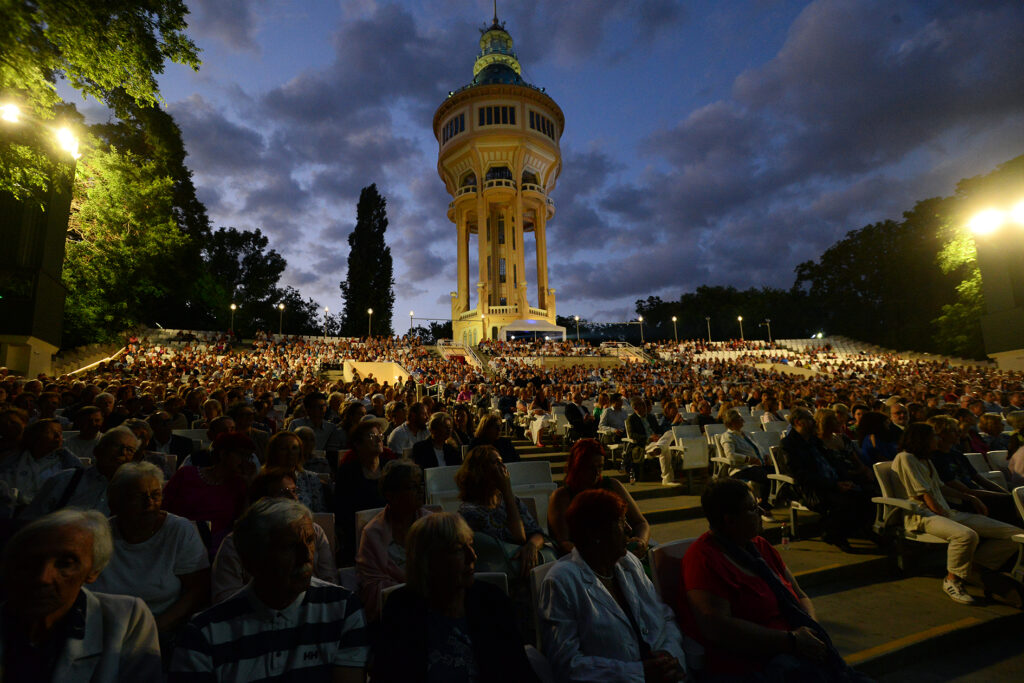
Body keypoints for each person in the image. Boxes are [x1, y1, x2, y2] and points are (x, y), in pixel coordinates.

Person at [679, 478, 867, 681]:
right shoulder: (704, 559)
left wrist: (811, 630)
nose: (761, 512)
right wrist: (791, 640)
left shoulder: (760, 547)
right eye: (752, 508)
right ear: (729, 519)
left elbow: (799, 595)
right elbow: (717, 627)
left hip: (797, 648)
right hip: (757, 664)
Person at [170, 498, 369, 681]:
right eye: (289, 546)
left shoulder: (342, 609)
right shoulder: (205, 635)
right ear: (252, 560)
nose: (305, 556)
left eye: (309, 541)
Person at [539, 489, 687, 682]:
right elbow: (566, 665)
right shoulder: (561, 582)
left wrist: (669, 656)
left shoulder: (628, 563)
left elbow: (664, 617)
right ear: (596, 533)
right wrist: (639, 673)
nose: (628, 529)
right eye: (620, 521)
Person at [372, 512, 538, 682]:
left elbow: (519, 672)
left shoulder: (491, 602)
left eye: (471, 545)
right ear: (429, 561)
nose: (472, 556)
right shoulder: (402, 609)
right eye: (458, 549)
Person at [1, 509, 162, 681]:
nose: (43, 578)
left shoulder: (125, 620)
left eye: (65, 564)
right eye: (32, 561)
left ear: (94, 571)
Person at [892, 422, 1023, 604]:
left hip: (945, 511)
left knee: (1014, 534)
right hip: (923, 515)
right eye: (933, 436)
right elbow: (924, 494)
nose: (937, 439)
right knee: (966, 535)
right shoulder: (905, 458)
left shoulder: (926, 460)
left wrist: (970, 498)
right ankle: (952, 580)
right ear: (922, 439)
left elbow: (942, 487)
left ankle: (974, 567)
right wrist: (945, 516)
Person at [91, 462, 209, 642]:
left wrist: (153, 628)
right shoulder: (99, 535)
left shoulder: (178, 531)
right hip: (102, 631)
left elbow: (198, 590)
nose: (150, 504)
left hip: (160, 633)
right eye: (138, 497)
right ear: (115, 502)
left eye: (156, 495)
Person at [210, 468, 336, 603]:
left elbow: (329, 578)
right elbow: (225, 597)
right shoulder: (236, 542)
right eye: (285, 493)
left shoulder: (314, 531)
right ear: (263, 502)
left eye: (294, 491)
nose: (294, 498)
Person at [781, 408, 873, 552]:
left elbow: (832, 461)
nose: (813, 422)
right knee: (845, 500)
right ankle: (835, 534)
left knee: (867, 494)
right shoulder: (788, 445)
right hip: (811, 488)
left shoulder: (813, 441)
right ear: (798, 422)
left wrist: (845, 479)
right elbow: (800, 475)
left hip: (831, 481)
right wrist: (834, 485)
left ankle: (861, 531)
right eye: (810, 419)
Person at [456, 445, 552, 577]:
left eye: (502, 462)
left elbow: (536, 532)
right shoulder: (469, 513)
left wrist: (532, 545)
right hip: (501, 575)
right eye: (496, 463)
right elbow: (518, 538)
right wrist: (507, 491)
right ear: (480, 470)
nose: (502, 467)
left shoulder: (512, 501)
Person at [355, 458, 433, 621]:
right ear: (391, 495)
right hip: (396, 616)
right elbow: (371, 589)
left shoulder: (432, 525)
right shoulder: (373, 533)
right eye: (413, 487)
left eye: (421, 485)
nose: (420, 491)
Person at [548, 438, 651, 557]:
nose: (597, 472)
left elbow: (641, 523)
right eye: (591, 467)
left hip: (624, 552)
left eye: (600, 467)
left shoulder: (612, 486)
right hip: (586, 559)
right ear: (577, 466)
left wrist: (641, 541)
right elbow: (564, 543)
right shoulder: (562, 497)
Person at [162, 432, 252, 553]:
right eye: (241, 455)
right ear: (223, 454)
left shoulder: (240, 485)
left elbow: (242, 524)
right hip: (178, 541)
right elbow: (163, 507)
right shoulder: (186, 475)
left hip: (216, 549)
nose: (246, 461)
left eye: (248, 456)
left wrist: (249, 485)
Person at [24, 426, 139, 519]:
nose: (123, 453)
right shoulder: (65, 480)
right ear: (97, 451)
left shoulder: (134, 490)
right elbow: (31, 519)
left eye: (130, 450)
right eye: (116, 446)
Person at [335, 421, 393, 564]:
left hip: (392, 533)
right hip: (360, 537)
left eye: (380, 435)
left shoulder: (390, 468)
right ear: (357, 444)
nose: (379, 439)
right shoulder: (347, 472)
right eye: (372, 436)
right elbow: (342, 512)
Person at [0, 418, 82, 505]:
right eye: (50, 432)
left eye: (60, 433)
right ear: (35, 436)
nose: (58, 436)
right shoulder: (14, 461)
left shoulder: (66, 463)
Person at [719, 408, 773, 521]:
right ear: (732, 422)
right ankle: (762, 507)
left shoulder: (746, 434)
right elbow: (730, 455)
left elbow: (759, 447)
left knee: (776, 471)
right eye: (739, 419)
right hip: (741, 469)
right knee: (765, 476)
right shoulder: (727, 436)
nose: (743, 420)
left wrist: (765, 456)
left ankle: (769, 500)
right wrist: (748, 459)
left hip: (757, 466)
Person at [265, 430, 326, 512]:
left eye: (294, 448)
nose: (290, 453)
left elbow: (319, 512)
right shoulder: (264, 479)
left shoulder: (310, 478)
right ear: (274, 452)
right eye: (284, 448)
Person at [624, 397, 668, 484]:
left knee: (669, 433)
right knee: (666, 450)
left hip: (657, 441)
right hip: (644, 443)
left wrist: (658, 436)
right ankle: (667, 478)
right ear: (635, 408)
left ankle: (659, 446)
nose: (645, 407)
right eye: (642, 405)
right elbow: (632, 435)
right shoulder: (631, 419)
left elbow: (658, 430)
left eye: (644, 405)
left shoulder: (651, 417)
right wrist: (649, 438)